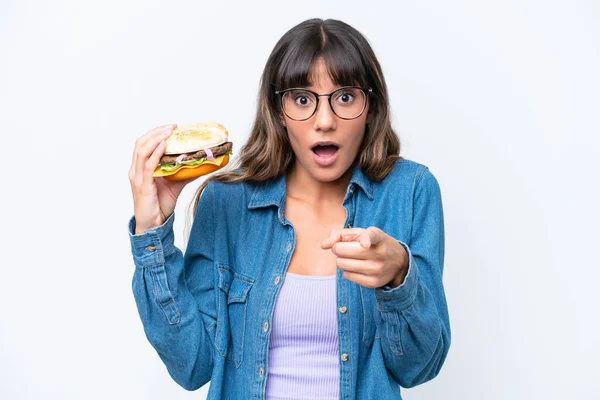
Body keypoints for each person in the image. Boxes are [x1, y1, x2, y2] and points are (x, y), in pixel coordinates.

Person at [128, 18, 450, 400]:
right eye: (302, 99)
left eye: (345, 97)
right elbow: (193, 365)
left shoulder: (410, 192)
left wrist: (399, 274)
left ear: (370, 106)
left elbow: (418, 368)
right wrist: (152, 232)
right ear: (278, 111)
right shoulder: (228, 202)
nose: (325, 121)